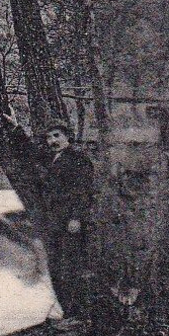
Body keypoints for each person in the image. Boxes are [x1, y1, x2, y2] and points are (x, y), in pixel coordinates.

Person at [37, 122, 96, 321]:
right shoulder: (54, 158)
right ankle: (69, 313)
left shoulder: (78, 159)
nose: (52, 141)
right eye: (49, 137)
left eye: (57, 135)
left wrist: (76, 218)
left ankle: (79, 313)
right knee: (58, 267)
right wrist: (16, 127)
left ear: (68, 136)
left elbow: (84, 191)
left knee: (71, 267)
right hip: (55, 222)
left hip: (71, 223)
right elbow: (28, 153)